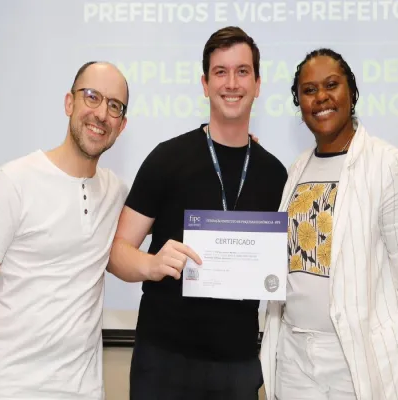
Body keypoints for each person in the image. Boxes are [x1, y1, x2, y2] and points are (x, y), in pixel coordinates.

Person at [107, 26, 288, 399]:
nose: (232, 83)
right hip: (164, 363)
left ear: (257, 84)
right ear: (205, 84)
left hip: (238, 366)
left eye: (242, 71)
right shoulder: (167, 158)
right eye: (220, 72)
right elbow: (115, 252)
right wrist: (152, 264)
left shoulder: (275, 174)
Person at [260, 48, 398, 400]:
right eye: (309, 90)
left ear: (352, 93)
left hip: (357, 360)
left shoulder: (390, 166)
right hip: (295, 360)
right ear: (299, 103)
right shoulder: (297, 169)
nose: (321, 97)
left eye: (332, 85)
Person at [0, 62, 130, 400]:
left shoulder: (116, 192)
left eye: (114, 105)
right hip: (12, 388)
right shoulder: (14, 181)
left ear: (122, 125)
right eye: (92, 96)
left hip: (85, 392)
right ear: (69, 103)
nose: (102, 113)